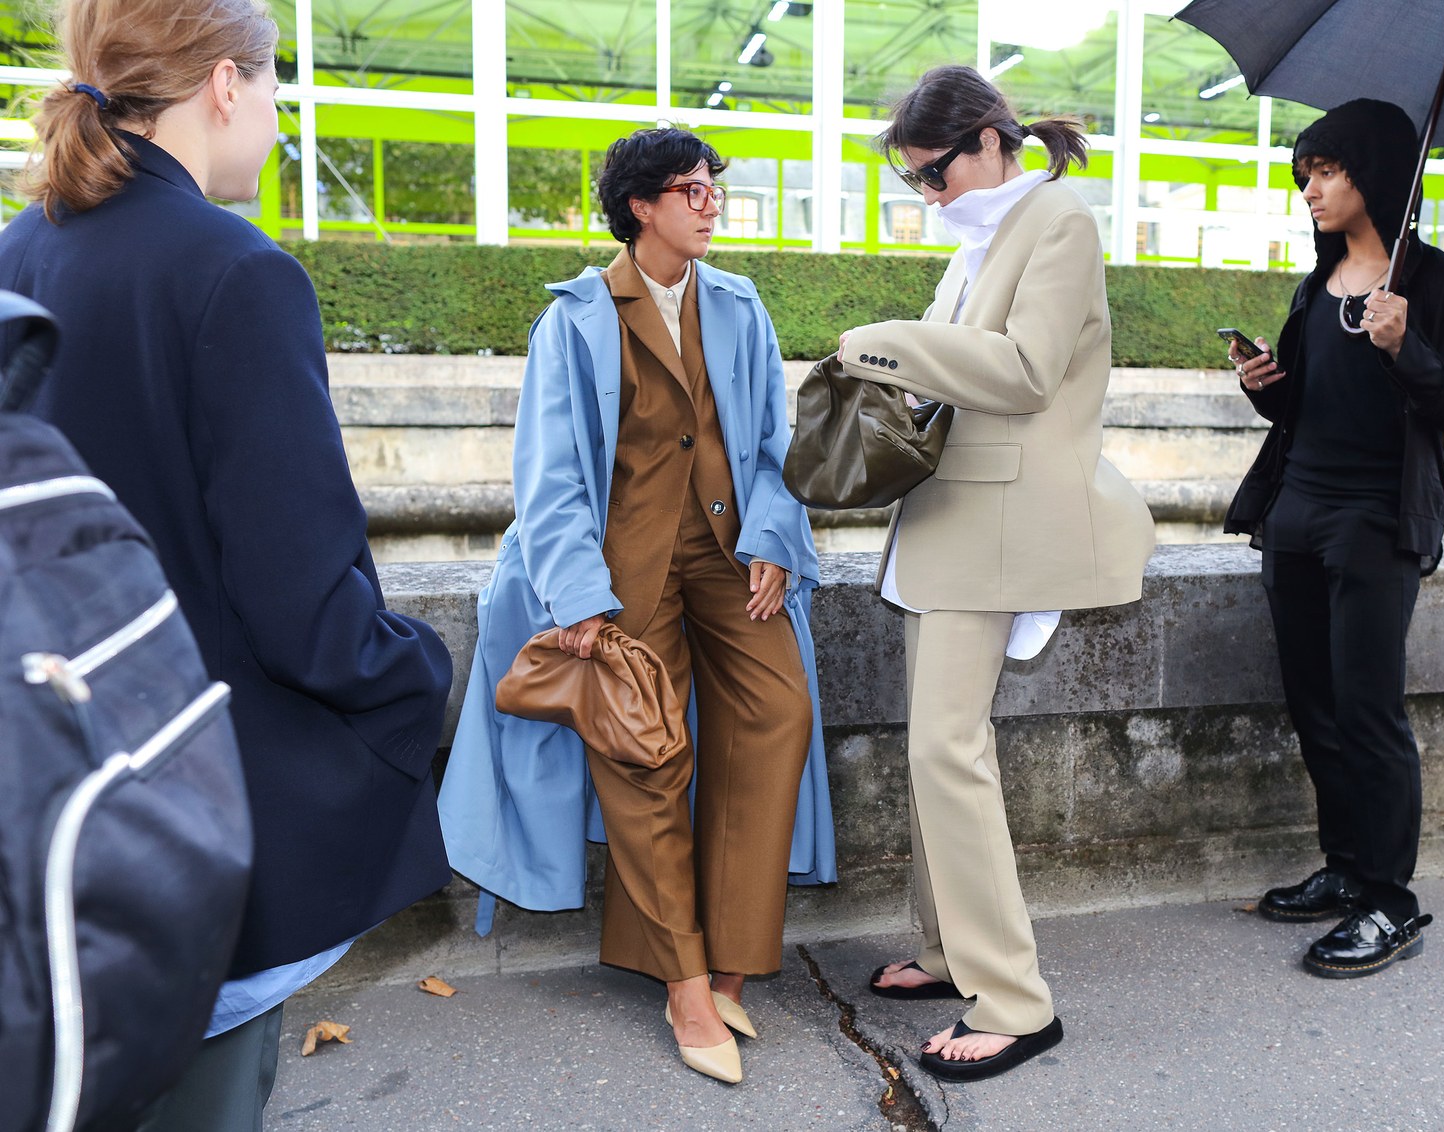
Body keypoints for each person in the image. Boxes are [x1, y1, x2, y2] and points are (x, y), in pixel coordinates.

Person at [0, 1, 454, 1126]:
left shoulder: (21, 251)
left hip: (48, 796)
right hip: (192, 808)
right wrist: (419, 670)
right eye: (272, 84)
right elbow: (307, 607)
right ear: (221, 84)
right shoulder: (238, 273)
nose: (277, 114)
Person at [436, 127, 833, 1086]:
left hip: (729, 556)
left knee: (776, 715)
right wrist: (576, 598)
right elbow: (549, 479)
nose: (710, 203)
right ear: (639, 208)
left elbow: (776, 446)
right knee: (647, 752)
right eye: (689, 190)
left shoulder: (740, 305)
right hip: (617, 574)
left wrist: (775, 540)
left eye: (713, 187)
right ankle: (685, 982)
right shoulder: (573, 319)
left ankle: (730, 957)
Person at [837, 65, 1155, 1081]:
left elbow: (1023, 370)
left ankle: (1015, 999)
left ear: (986, 140)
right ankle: (947, 952)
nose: (929, 195)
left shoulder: (1054, 218)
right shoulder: (985, 232)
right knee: (940, 747)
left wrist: (885, 345)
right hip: (954, 520)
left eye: (934, 173)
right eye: (916, 183)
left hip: (1001, 523)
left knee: (946, 751)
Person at [1225, 99, 1444, 978]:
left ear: (1373, 176)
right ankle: (1344, 869)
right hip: (1297, 511)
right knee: (1313, 703)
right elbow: (1304, 403)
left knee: (1370, 713)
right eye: (1305, 175)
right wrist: (1265, 384)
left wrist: (1406, 345)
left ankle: (1390, 901)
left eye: (1326, 172)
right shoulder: (1320, 280)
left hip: (1378, 520)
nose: (1310, 190)